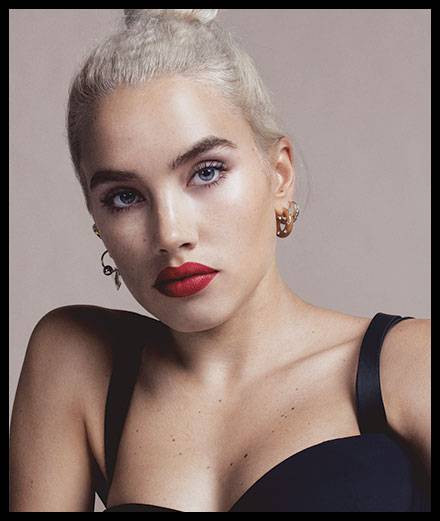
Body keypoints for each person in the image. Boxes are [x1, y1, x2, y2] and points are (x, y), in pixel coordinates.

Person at [9, 9, 430, 512]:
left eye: (206, 172)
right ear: (96, 219)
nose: (171, 234)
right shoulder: (76, 364)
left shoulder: (409, 365)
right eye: (124, 197)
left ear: (279, 175)